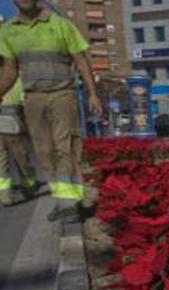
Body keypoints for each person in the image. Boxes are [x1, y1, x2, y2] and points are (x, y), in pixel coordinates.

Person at [0, 0, 102, 222]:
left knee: (65, 147)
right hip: (33, 100)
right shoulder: (8, 31)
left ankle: (70, 204)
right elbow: (10, 70)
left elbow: (81, 60)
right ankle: (62, 199)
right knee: (45, 152)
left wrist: (92, 93)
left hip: (62, 95)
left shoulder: (61, 25)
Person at [0, 70, 36, 207]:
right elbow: (24, 105)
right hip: (12, 124)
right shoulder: (15, 79)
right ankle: (28, 186)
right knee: (22, 158)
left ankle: (5, 196)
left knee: (1, 163)